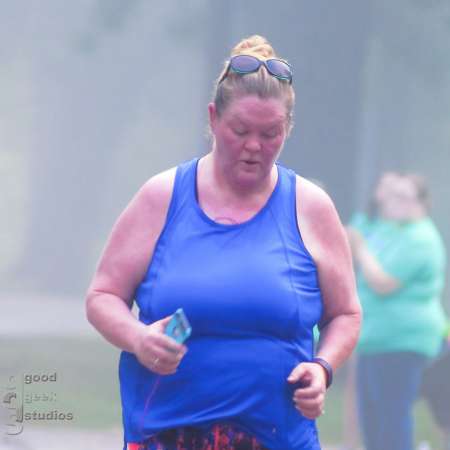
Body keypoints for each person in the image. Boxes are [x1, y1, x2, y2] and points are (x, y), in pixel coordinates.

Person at [86, 35, 361, 450]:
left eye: (271, 134)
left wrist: (322, 368)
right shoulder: (162, 196)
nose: (254, 146)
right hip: (167, 433)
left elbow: (345, 314)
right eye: (240, 130)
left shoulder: (311, 207)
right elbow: (103, 295)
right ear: (213, 118)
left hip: (276, 436)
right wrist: (137, 338)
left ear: (288, 129)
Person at [347, 173, 448, 450]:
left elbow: (383, 282)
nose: (396, 204)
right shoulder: (392, 231)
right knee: (372, 420)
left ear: (423, 203)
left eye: (404, 198)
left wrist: (362, 250)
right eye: (394, 196)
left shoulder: (420, 238)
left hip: (402, 342)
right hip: (375, 340)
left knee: (392, 417)